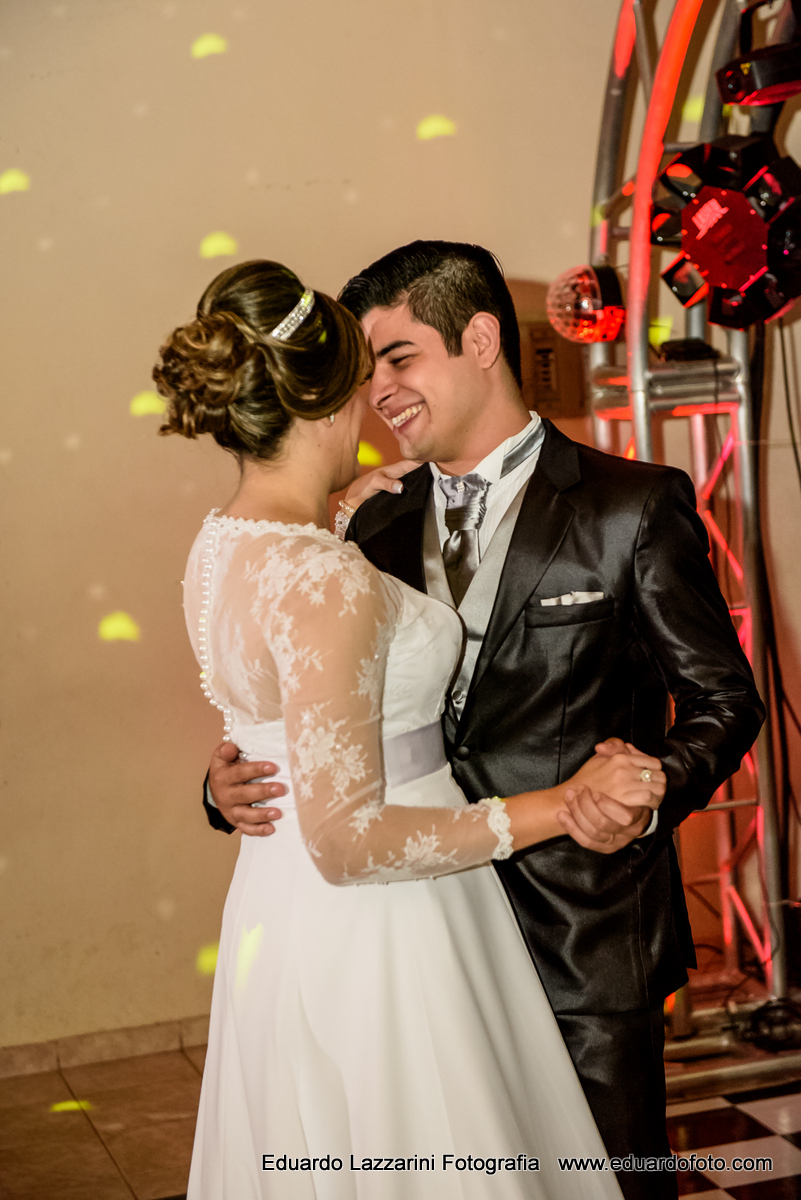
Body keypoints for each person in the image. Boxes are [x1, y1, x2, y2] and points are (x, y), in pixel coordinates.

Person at [206, 243, 765, 1200]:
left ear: (478, 340)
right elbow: (305, 702)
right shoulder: (361, 525)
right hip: (419, 938)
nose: (377, 391)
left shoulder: (630, 508)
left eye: (398, 357)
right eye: (363, 367)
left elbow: (725, 700)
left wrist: (655, 784)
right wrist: (226, 786)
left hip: (581, 934)